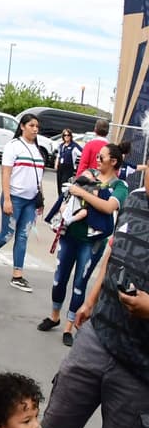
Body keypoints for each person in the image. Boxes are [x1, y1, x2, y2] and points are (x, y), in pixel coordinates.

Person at [25, 178, 149, 428]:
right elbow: (114, 254)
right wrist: (92, 300)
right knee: (53, 425)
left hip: (141, 369)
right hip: (98, 337)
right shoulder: (135, 202)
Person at [37, 142, 129, 346]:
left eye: (102, 157)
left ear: (113, 161)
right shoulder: (88, 173)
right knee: (59, 278)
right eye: (97, 157)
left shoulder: (120, 186)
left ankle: (69, 325)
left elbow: (108, 207)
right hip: (70, 234)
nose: (98, 160)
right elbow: (71, 192)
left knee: (80, 282)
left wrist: (83, 193)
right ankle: (54, 316)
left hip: (93, 241)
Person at [0, 113, 47, 292]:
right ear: (22, 126)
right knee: (6, 234)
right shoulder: (13, 146)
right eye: (31, 125)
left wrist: (41, 199)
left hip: (31, 200)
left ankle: (17, 275)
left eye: (37, 126)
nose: (35, 129)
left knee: (23, 235)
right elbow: (5, 173)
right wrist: (7, 199)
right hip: (14, 197)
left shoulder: (37, 149)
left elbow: (38, 177)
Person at [50, 129, 83, 208]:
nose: (66, 137)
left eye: (68, 135)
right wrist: (56, 163)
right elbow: (59, 155)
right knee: (59, 185)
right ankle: (59, 200)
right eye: (65, 135)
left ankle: (63, 201)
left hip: (68, 168)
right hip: (61, 167)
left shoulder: (74, 145)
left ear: (70, 136)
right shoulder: (61, 145)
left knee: (64, 185)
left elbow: (82, 153)